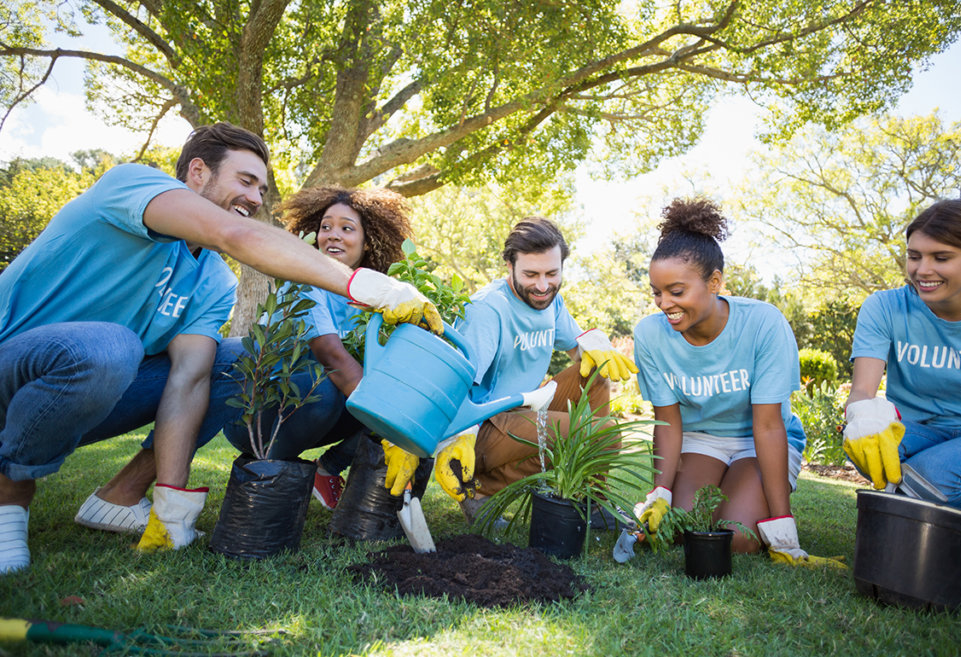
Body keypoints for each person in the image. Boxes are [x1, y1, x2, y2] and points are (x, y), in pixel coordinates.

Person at [0, 122, 441, 574]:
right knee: (113, 345)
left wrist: (172, 504)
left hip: (88, 389)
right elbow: (236, 236)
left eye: (262, 189)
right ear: (197, 171)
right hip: (13, 370)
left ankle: (121, 496)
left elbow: (189, 382)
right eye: (245, 181)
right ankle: (9, 495)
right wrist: (365, 286)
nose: (255, 198)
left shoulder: (212, 280)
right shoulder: (131, 185)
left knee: (231, 359)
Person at [383, 216, 638, 523]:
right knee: (604, 434)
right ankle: (480, 489)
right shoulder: (489, 310)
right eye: (531, 274)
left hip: (523, 411)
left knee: (595, 372)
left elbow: (578, 349)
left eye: (552, 274)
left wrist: (597, 345)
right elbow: (456, 384)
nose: (543, 286)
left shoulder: (549, 302)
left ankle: (586, 499)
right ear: (509, 265)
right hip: (481, 426)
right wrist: (451, 439)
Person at [631, 198, 841, 567]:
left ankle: (759, 510)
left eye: (676, 292)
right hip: (701, 440)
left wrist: (783, 531)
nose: (664, 303)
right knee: (680, 528)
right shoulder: (650, 335)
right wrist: (660, 493)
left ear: (714, 282)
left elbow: (769, 425)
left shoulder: (763, 324)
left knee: (739, 539)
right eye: (656, 292)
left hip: (758, 441)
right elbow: (667, 421)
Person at [222, 186, 412, 510]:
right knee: (332, 385)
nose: (332, 236)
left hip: (318, 410)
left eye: (346, 228)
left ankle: (327, 470)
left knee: (390, 389)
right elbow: (332, 357)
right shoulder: (302, 279)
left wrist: (407, 420)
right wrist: (394, 428)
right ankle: (273, 471)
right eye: (325, 227)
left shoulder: (369, 295)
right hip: (260, 414)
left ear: (368, 242)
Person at [844, 199, 961, 513]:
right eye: (914, 256)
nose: (922, 270)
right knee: (865, 447)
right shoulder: (885, 307)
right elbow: (861, 391)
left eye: (941, 257)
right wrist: (863, 422)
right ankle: (924, 489)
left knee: (930, 477)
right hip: (918, 430)